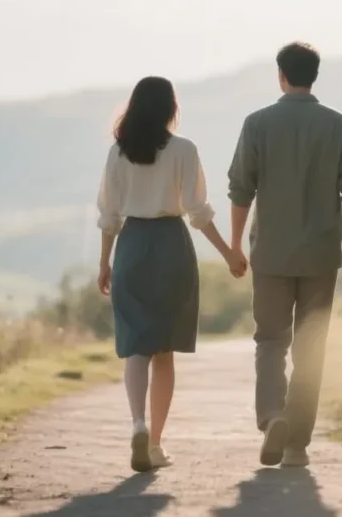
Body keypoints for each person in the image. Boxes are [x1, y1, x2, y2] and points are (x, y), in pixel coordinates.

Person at [227, 42, 342, 468]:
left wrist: (235, 244)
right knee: (311, 346)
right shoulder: (339, 125)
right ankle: (296, 445)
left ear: (281, 76)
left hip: (271, 254)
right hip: (321, 255)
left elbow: (240, 188)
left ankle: (274, 415)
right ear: (314, 75)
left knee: (271, 341)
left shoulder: (257, 124)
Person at [96, 76, 248, 473]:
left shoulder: (118, 153)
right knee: (164, 352)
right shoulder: (184, 150)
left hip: (131, 246)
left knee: (136, 346)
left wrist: (104, 263)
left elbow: (109, 217)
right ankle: (156, 445)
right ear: (170, 109)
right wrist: (229, 254)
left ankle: (137, 424)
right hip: (170, 247)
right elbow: (199, 212)